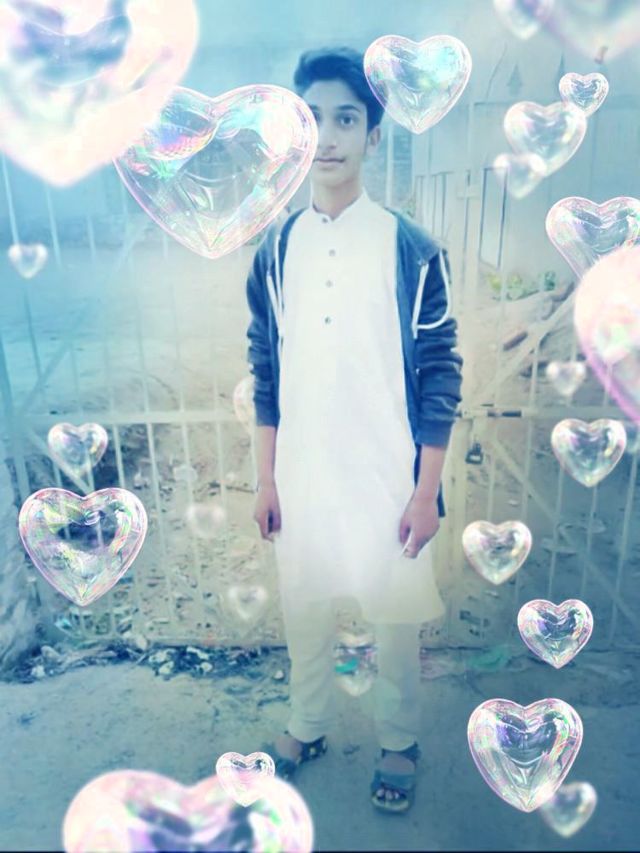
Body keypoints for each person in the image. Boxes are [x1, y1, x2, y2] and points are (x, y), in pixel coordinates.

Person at [245, 45, 463, 814]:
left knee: (392, 614)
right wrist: (266, 478)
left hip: (384, 471)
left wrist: (425, 492)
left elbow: (440, 373)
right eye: (312, 120)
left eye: (346, 119)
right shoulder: (276, 249)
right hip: (303, 470)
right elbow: (265, 369)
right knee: (304, 603)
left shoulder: (410, 247)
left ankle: (398, 739)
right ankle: (306, 724)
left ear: (372, 135)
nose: (329, 136)